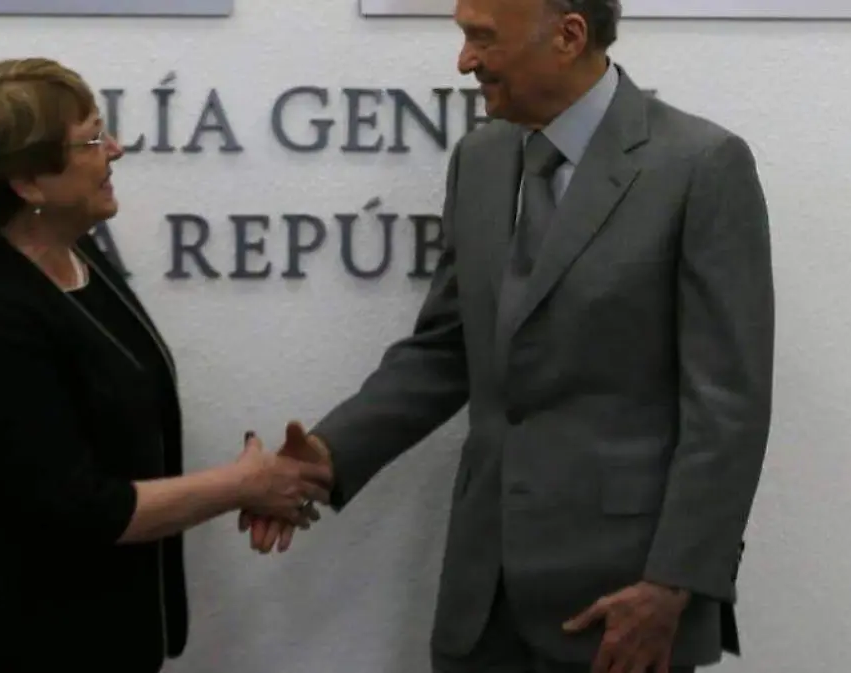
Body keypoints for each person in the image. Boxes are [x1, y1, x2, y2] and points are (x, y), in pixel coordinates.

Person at [242, 1, 774, 672]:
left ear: (569, 35)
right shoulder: (481, 159)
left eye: (480, 38)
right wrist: (324, 455)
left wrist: (675, 584)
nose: (464, 60)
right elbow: (445, 349)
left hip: (624, 611)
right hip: (481, 604)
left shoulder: (701, 166)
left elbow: (728, 408)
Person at [0, 57, 332, 673]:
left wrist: (258, 483)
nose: (114, 148)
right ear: (27, 183)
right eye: (89, 139)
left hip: (83, 636)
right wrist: (241, 485)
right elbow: (86, 507)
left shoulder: (75, 256)